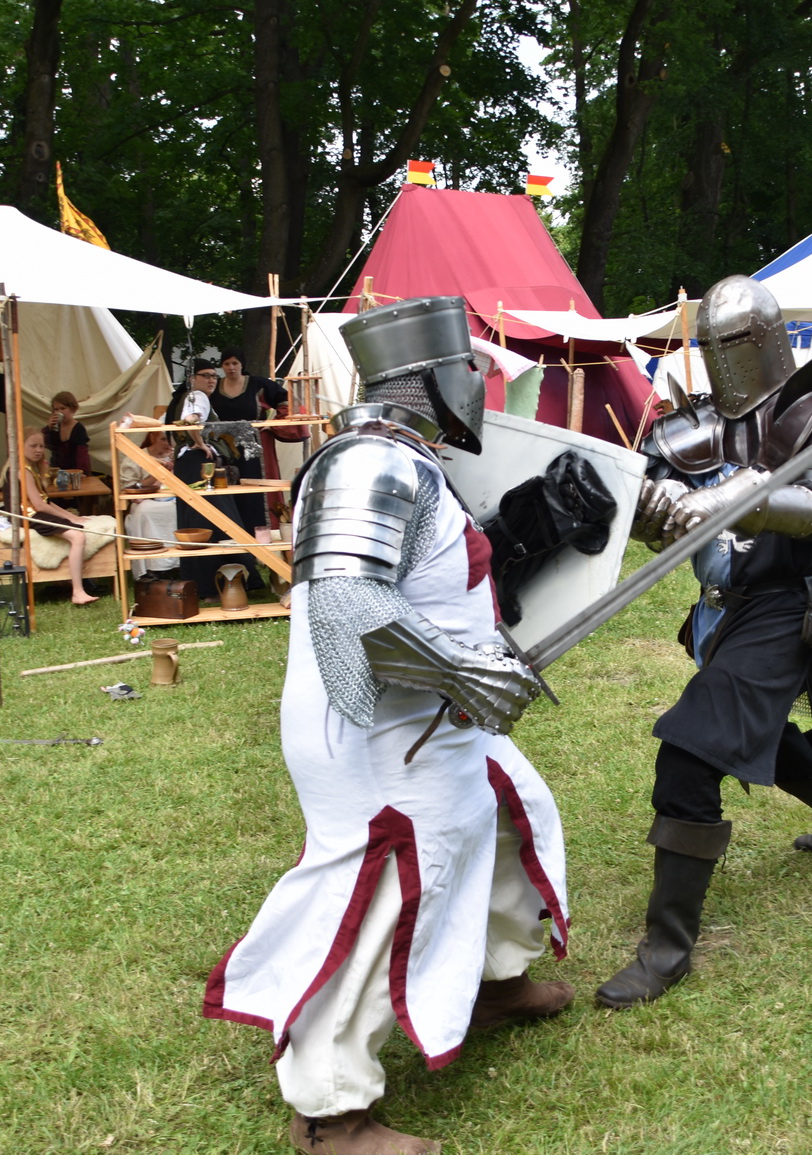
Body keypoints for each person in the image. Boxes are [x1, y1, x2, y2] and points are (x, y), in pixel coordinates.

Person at [203, 297, 572, 1155]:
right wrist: (464, 671)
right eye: (470, 372)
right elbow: (347, 606)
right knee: (386, 887)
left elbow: (433, 581)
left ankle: (491, 976)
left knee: (510, 807)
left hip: (435, 719)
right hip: (379, 729)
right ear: (434, 378)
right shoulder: (370, 465)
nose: (479, 388)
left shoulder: (407, 458)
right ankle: (331, 1109)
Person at [595, 275, 812, 1012]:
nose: (726, 357)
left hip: (783, 605)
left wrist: (731, 499)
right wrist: (650, 504)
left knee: (692, 751)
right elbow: (641, 502)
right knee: (754, 732)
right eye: (714, 344)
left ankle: (666, 948)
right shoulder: (685, 428)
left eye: (736, 342)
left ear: (767, 339)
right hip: (718, 611)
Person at [212, 347, 311, 539]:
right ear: (222, 366)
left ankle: (265, 537)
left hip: (256, 447)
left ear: (242, 365)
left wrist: (273, 426)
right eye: (226, 364)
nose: (231, 368)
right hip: (226, 447)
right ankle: (233, 537)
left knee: (258, 491)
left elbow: (288, 402)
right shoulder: (214, 387)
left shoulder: (258, 384)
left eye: (235, 363)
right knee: (230, 488)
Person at [7, 429, 100, 605]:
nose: (38, 450)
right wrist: (70, 520)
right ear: (20, 446)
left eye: (41, 446)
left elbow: (46, 501)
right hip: (29, 516)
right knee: (77, 536)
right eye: (33, 446)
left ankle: (70, 583)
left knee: (76, 526)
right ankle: (78, 591)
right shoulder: (22, 470)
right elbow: (40, 505)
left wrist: (72, 517)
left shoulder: (30, 468)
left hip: (35, 512)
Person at [119, 431, 178, 578]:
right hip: (145, 500)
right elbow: (131, 488)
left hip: (173, 499)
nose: (168, 445)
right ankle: (153, 567)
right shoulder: (136, 458)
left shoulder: (178, 456)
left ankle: (179, 565)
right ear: (152, 438)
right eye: (164, 440)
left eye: (171, 441)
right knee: (146, 511)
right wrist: (159, 472)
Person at [43, 391, 92, 474]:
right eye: (56, 409)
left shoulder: (78, 428)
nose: (59, 412)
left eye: (63, 408)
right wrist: (48, 428)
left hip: (74, 472)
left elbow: (82, 455)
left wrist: (82, 473)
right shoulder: (54, 427)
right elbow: (44, 444)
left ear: (72, 409)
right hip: (56, 471)